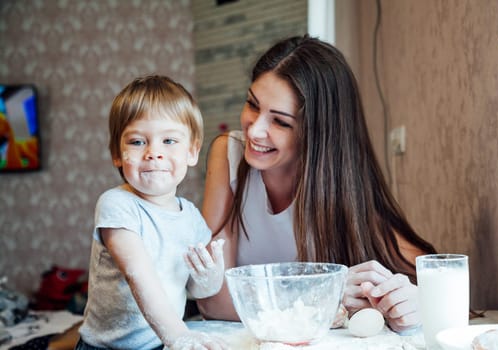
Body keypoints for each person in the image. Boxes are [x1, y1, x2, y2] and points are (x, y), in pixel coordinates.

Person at [196, 35, 437, 333]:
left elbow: (434, 274)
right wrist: (324, 295)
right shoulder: (229, 153)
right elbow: (212, 300)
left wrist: (415, 300)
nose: (255, 131)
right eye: (252, 105)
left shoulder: (338, 183)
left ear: (318, 132)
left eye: (281, 122)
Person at [76, 75, 229, 350]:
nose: (153, 153)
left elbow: (195, 291)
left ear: (192, 152)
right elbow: (138, 273)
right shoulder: (117, 204)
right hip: (104, 347)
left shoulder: (192, 218)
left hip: (159, 343)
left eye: (169, 141)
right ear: (117, 154)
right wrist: (179, 336)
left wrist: (210, 279)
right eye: (137, 142)